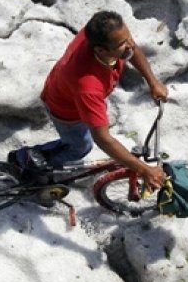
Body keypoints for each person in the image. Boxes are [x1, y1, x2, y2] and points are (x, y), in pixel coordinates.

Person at [11, 11, 169, 192]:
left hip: (68, 89)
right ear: (101, 50)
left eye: (128, 37)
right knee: (80, 146)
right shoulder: (88, 86)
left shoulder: (104, 34)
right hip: (66, 109)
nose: (130, 45)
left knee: (81, 136)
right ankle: (32, 167)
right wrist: (144, 170)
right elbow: (102, 139)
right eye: (122, 44)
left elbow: (131, 49)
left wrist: (153, 82)